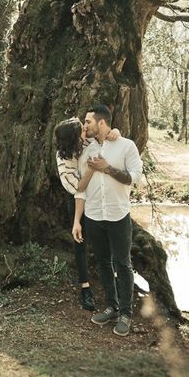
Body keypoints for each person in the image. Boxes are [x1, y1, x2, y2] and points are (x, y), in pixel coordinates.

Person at [72, 105, 143, 337]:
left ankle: (125, 313)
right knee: (103, 263)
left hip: (118, 215)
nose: (85, 126)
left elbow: (134, 179)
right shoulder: (86, 151)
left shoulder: (126, 146)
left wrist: (107, 168)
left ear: (102, 123)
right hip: (93, 216)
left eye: (88, 121)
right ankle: (111, 307)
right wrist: (78, 221)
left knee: (123, 264)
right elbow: (80, 188)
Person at [54, 117, 120, 312]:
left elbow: (107, 137)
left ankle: (113, 280)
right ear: (73, 138)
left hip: (99, 195)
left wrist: (115, 131)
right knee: (80, 241)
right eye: (81, 130)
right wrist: (91, 169)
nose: (86, 130)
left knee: (106, 238)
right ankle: (85, 288)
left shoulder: (87, 140)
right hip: (77, 199)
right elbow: (77, 188)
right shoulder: (64, 159)